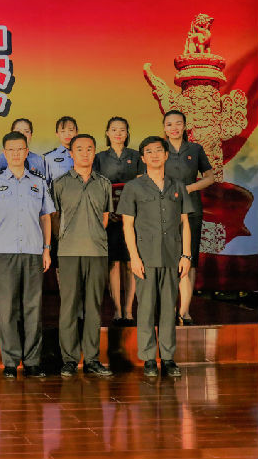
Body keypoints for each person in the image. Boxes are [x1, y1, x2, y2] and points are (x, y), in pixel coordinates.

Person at [0, 131, 55, 379]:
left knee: (33, 307)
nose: (15, 153)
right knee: (7, 308)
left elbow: (46, 217)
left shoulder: (38, 182)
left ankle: (32, 361)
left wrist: (46, 249)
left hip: (33, 251)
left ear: (26, 151)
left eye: (20, 149)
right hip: (4, 252)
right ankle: (11, 362)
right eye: (11, 150)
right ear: (4, 153)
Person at [117, 136, 193, 378]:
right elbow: (127, 225)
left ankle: (168, 358)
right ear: (143, 158)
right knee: (146, 308)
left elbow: (185, 223)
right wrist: (134, 258)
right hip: (145, 258)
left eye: (159, 150)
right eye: (149, 152)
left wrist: (186, 254)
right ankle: (149, 358)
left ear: (166, 155)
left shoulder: (177, 185)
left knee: (169, 308)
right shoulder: (133, 187)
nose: (155, 155)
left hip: (172, 255)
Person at [51, 135, 114, 378]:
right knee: (68, 307)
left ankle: (92, 359)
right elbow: (54, 218)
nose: (85, 153)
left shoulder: (104, 183)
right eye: (79, 149)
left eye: (89, 149)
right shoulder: (60, 183)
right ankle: (69, 360)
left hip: (97, 251)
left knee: (93, 307)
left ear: (94, 152)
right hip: (68, 252)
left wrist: (93, 236)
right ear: (71, 153)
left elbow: (105, 217)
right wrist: (65, 238)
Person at [162, 110, 214, 325]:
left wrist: (190, 188)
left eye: (178, 123)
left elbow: (210, 177)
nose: (174, 128)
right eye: (169, 124)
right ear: (164, 128)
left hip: (191, 209)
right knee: (167, 260)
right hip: (164, 210)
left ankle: (184, 311)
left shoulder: (195, 149)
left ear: (184, 126)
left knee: (188, 259)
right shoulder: (159, 148)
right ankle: (168, 308)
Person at [93, 116, 144, 326]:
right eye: (114, 129)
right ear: (107, 133)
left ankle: (129, 310)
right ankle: (116, 310)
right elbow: (96, 187)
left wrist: (130, 211)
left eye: (122, 129)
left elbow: (141, 186)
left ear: (127, 132)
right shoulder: (99, 158)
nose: (118, 133)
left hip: (132, 217)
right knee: (113, 263)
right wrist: (107, 210)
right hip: (110, 217)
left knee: (130, 262)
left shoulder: (136, 156)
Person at [44, 116, 78, 183]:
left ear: (76, 132)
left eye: (71, 130)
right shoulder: (49, 157)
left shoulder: (85, 155)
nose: (67, 134)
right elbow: (46, 183)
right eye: (63, 131)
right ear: (57, 134)